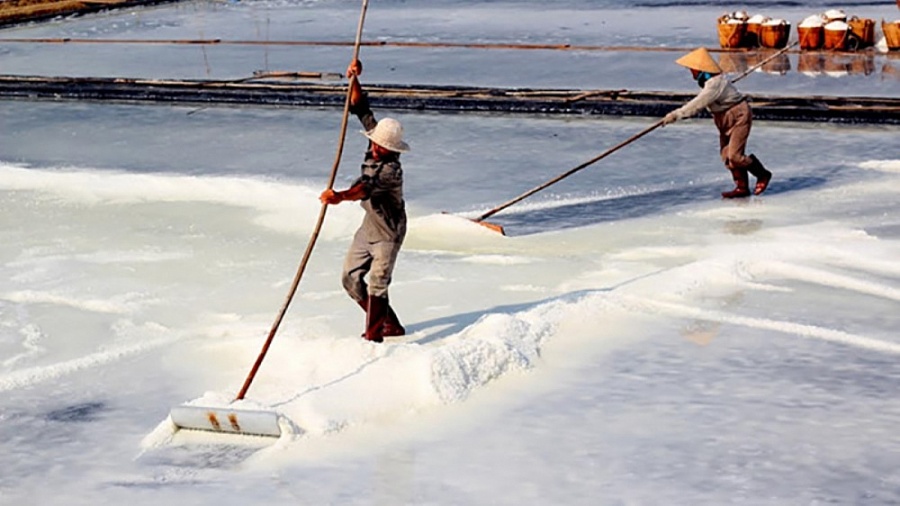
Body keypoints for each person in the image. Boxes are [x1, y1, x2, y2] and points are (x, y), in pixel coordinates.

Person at [319, 58, 409, 343]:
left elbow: (363, 189)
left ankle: (373, 337)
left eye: (379, 145)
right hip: (369, 226)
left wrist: (340, 197)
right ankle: (389, 323)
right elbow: (360, 108)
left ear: (390, 148)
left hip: (388, 233)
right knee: (350, 279)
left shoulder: (391, 172)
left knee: (377, 285)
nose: (373, 147)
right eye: (374, 142)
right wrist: (354, 78)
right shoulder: (375, 145)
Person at [662, 47, 772, 198]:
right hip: (723, 119)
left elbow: (697, 104)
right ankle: (741, 187)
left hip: (739, 116)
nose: (691, 73)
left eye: (692, 69)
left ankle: (763, 174)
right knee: (726, 155)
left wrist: (674, 115)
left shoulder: (715, 85)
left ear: (700, 69)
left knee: (735, 156)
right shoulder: (712, 83)